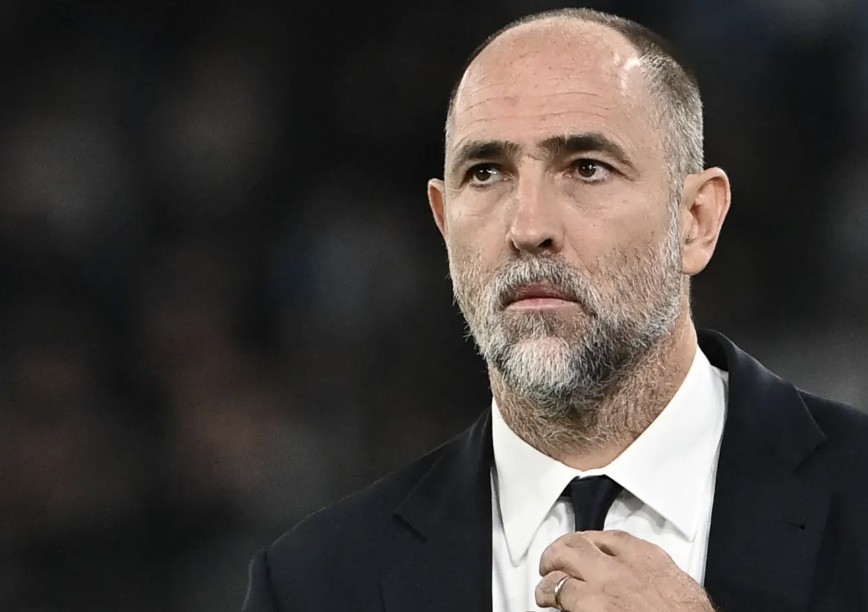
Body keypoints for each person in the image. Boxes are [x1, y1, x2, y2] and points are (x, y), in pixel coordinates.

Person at [242, 7, 868, 611]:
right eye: (486, 173)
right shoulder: (313, 583)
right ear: (444, 223)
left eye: (587, 168)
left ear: (696, 220)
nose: (528, 227)